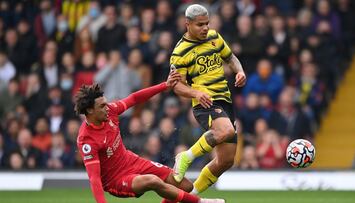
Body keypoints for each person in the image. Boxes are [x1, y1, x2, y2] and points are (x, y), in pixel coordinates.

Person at [75, 70, 225, 203]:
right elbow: (94, 179)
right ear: (89, 110)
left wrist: (164, 85)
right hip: (116, 180)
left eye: (105, 103)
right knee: (153, 181)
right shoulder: (87, 140)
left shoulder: (110, 111)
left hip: (131, 161)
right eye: (101, 106)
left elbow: (134, 98)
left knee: (185, 185)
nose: (106, 107)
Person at [170, 4, 247, 194]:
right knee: (226, 130)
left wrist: (240, 71)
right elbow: (176, 85)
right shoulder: (180, 52)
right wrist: (196, 93)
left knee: (226, 160)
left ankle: (191, 195)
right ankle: (186, 157)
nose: (205, 28)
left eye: (207, 23)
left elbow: (231, 58)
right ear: (187, 24)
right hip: (204, 102)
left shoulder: (214, 37)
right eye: (200, 25)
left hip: (225, 100)